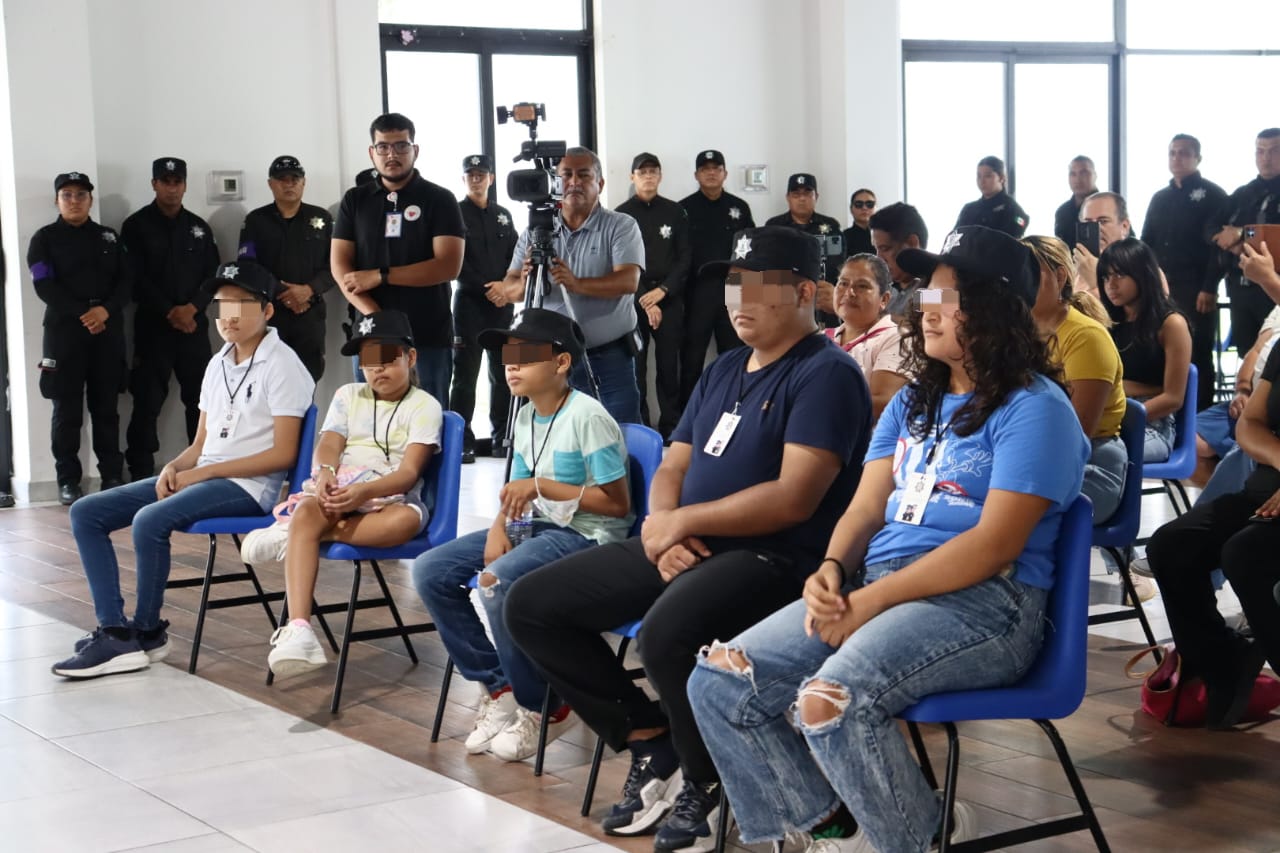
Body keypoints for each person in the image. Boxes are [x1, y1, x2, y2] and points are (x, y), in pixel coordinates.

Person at [687, 225, 1088, 853]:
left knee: (830, 701)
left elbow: (993, 546)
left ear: (997, 309)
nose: (928, 308)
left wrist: (868, 602)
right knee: (719, 681)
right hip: (879, 586)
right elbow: (866, 507)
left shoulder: (1035, 409)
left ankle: (914, 839)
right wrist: (830, 570)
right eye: (928, 294)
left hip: (985, 605)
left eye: (949, 297)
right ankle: (843, 829)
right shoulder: (912, 403)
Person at [505, 227, 871, 852]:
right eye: (734, 284)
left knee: (666, 634)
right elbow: (675, 462)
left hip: (779, 558)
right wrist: (662, 527)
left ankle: (705, 780)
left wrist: (685, 523)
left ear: (805, 292)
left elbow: (794, 497)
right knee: (531, 605)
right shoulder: (726, 367)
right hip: (689, 542)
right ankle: (651, 739)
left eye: (758, 286)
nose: (739, 300)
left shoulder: (826, 373)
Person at [50, 261, 314, 678]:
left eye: (241, 304)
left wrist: (203, 474)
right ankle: (115, 631)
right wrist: (175, 466)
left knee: (149, 520)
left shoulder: (283, 365)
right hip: (206, 475)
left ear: (267, 310)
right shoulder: (218, 362)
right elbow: (201, 444)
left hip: (248, 486)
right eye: (221, 304)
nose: (228, 315)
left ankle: (147, 630)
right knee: (87, 512)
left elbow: (284, 454)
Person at [413, 309, 633, 761]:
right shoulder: (527, 415)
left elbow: (617, 505)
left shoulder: (588, 417)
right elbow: (517, 488)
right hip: (538, 523)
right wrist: (500, 526)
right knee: (431, 570)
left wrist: (542, 487)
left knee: (496, 582)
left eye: (525, 356)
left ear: (561, 362)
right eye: (508, 357)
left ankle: (546, 706)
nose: (511, 366)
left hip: (585, 534)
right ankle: (500, 688)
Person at [243, 309, 440, 678]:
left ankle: (298, 535)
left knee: (403, 522)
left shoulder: (425, 405)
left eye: (387, 358)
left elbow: (408, 474)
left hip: (389, 498)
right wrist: (326, 474)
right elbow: (330, 443)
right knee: (308, 510)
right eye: (368, 361)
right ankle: (299, 629)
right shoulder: (348, 395)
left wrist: (364, 491)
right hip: (342, 489)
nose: (377, 369)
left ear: (410, 357)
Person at [1144, 337, 1280, 730]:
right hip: (1264, 493)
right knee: (1171, 545)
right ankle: (1224, 662)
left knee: (1245, 554)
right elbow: (1250, 425)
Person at [494, 147, 645, 424]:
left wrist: (576, 284)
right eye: (566, 175)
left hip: (608, 355)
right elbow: (509, 290)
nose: (574, 182)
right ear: (555, 182)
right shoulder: (535, 232)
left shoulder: (621, 225)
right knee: (555, 432)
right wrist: (526, 281)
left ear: (600, 183)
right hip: (549, 357)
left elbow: (629, 281)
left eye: (583, 175)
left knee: (619, 431)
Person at [332, 112, 465, 406]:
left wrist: (381, 275)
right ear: (372, 152)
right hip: (372, 333)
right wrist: (377, 317)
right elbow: (340, 267)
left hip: (427, 335)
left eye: (401, 146)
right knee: (372, 418)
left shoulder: (440, 199)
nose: (392, 154)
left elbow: (448, 266)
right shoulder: (355, 200)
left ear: (415, 150)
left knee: (428, 417)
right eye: (383, 147)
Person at [27, 171, 129, 505]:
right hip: (65, 333)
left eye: (81, 195)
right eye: (67, 195)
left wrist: (104, 312)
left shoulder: (108, 237)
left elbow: (126, 282)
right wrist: (84, 314)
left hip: (106, 330)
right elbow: (43, 285)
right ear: (57, 200)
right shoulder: (44, 239)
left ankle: (111, 475)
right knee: (66, 410)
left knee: (106, 408)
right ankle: (68, 480)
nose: (74, 201)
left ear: (90, 200)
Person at [122, 157, 221, 483]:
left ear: (185, 185)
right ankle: (140, 470)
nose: (172, 188)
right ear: (154, 184)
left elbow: (213, 274)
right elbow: (134, 278)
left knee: (202, 400)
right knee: (147, 399)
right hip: (154, 327)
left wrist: (191, 308)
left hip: (193, 326)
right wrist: (171, 311)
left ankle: (202, 466)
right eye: (165, 182)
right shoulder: (136, 226)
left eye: (177, 182)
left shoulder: (198, 227)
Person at [1025, 235, 1127, 523]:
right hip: (1035, 453)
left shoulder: (1086, 337)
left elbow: (1075, 433)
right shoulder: (1017, 331)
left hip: (1090, 463)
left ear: (1060, 277)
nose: (1019, 283)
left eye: (1030, 273)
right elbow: (920, 304)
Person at [1143, 135, 1228, 411]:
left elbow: (1219, 249)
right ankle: (1168, 412)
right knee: (1163, 352)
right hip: (1162, 289)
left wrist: (1210, 287)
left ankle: (1200, 417)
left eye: (1184, 153)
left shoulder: (1213, 195)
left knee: (1198, 354)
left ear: (1197, 158)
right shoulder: (1160, 198)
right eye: (1172, 153)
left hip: (1197, 289)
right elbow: (1146, 243)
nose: (1177, 158)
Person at [237, 156, 335, 382]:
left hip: (309, 314)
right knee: (266, 379)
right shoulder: (255, 221)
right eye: (282, 179)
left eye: (294, 179)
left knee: (308, 379)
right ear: (271, 184)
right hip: (269, 314)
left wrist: (308, 290)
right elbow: (247, 266)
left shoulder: (322, 218)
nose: (289, 184)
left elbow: (334, 265)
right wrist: (285, 293)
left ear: (304, 182)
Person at [616, 152, 691, 439]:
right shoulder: (621, 215)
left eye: (653, 171)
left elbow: (685, 258)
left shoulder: (675, 212)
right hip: (634, 299)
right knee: (635, 366)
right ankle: (641, 425)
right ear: (632, 177)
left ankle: (671, 424)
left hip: (668, 297)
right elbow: (619, 263)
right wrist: (646, 299)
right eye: (642, 172)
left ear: (660, 176)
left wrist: (663, 292)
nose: (648, 176)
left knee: (669, 366)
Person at [1099, 238, 1192, 462]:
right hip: (1112, 414)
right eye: (1105, 277)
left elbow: (1173, 398)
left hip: (1154, 425)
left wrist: (1122, 417)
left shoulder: (1172, 324)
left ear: (1142, 274)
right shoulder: (1109, 323)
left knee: (1100, 454)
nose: (1111, 284)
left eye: (1119, 275)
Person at [453, 153, 518, 462]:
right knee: (465, 375)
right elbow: (455, 262)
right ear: (463, 179)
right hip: (469, 304)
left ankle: (502, 437)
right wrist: (488, 288)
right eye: (471, 175)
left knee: (504, 373)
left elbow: (515, 256)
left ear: (491, 178)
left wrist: (506, 287)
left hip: (502, 305)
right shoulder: (454, 213)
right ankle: (462, 440)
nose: (476, 179)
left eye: (482, 174)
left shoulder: (503, 215)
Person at [679, 149, 753, 407]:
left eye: (716, 169)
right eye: (705, 169)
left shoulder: (739, 207)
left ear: (725, 173)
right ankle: (689, 413)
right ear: (696, 175)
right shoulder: (684, 209)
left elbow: (751, 251)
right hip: (698, 289)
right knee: (692, 356)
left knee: (735, 352)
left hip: (734, 287)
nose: (711, 173)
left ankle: (734, 407)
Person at [1203, 128, 1280, 355]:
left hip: (1273, 287)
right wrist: (1235, 243)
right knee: (1246, 353)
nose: (1266, 158)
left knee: (1272, 353)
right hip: (1240, 287)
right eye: (1260, 151)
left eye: (1274, 151)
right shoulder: (1243, 194)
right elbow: (1210, 228)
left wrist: (1242, 234)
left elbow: (1273, 235)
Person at [826, 253, 907, 420]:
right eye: (843, 283)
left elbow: (884, 404)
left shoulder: (924, 291)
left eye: (862, 286)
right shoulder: (822, 338)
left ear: (884, 299)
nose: (849, 292)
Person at [765, 173, 844, 327]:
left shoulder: (830, 225)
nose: (802, 199)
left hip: (822, 295)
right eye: (796, 194)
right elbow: (768, 263)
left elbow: (839, 262)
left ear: (816, 196)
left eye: (807, 194)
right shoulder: (774, 226)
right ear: (788, 197)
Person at [868, 201, 929, 321]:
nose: (879, 258)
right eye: (876, 249)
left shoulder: (936, 284)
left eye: (885, 248)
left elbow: (921, 326)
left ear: (912, 243)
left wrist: (873, 316)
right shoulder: (886, 287)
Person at [1073, 191, 1134, 298]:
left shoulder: (1141, 268)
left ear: (1124, 226)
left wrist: (1096, 281)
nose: (1097, 229)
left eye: (1103, 221)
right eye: (1088, 223)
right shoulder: (1075, 271)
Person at [954, 155, 1028, 238]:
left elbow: (1019, 226)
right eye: (979, 176)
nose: (982, 181)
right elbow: (954, 239)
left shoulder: (1012, 209)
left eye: (988, 176)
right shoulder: (969, 209)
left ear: (1001, 178)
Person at [1054, 156, 1099, 250]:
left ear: (1095, 175)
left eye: (1084, 173)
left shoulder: (1109, 206)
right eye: (1073, 174)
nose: (1078, 179)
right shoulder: (1062, 212)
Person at [842, 189, 876, 257]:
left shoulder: (885, 235)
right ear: (851, 209)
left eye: (869, 204)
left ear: (876, 208)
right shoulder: (844, 238)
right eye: (859, 204)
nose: (864, 208)